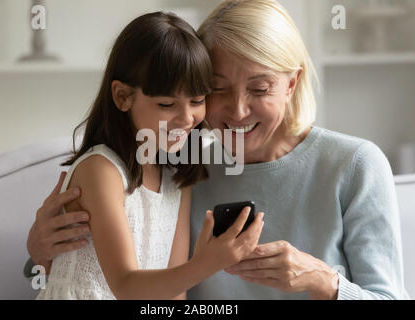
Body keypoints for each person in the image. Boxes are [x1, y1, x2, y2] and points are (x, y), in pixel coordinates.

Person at [26, 0, 409, 300]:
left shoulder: (354, 164)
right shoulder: (180, 161)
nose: (238, 110)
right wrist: (38, 252)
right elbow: (90, 275)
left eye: (260, 89)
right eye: (217, 89)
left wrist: (324, 281)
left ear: (291, 85)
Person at [33, 11, 264, 300]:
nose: (187, 118)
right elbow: (126, 286)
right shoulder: (101, 170)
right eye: (167, 104)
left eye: (197, 101)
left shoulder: (176, 177)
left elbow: (174, 293)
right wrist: (208, 263)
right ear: (122, 97)